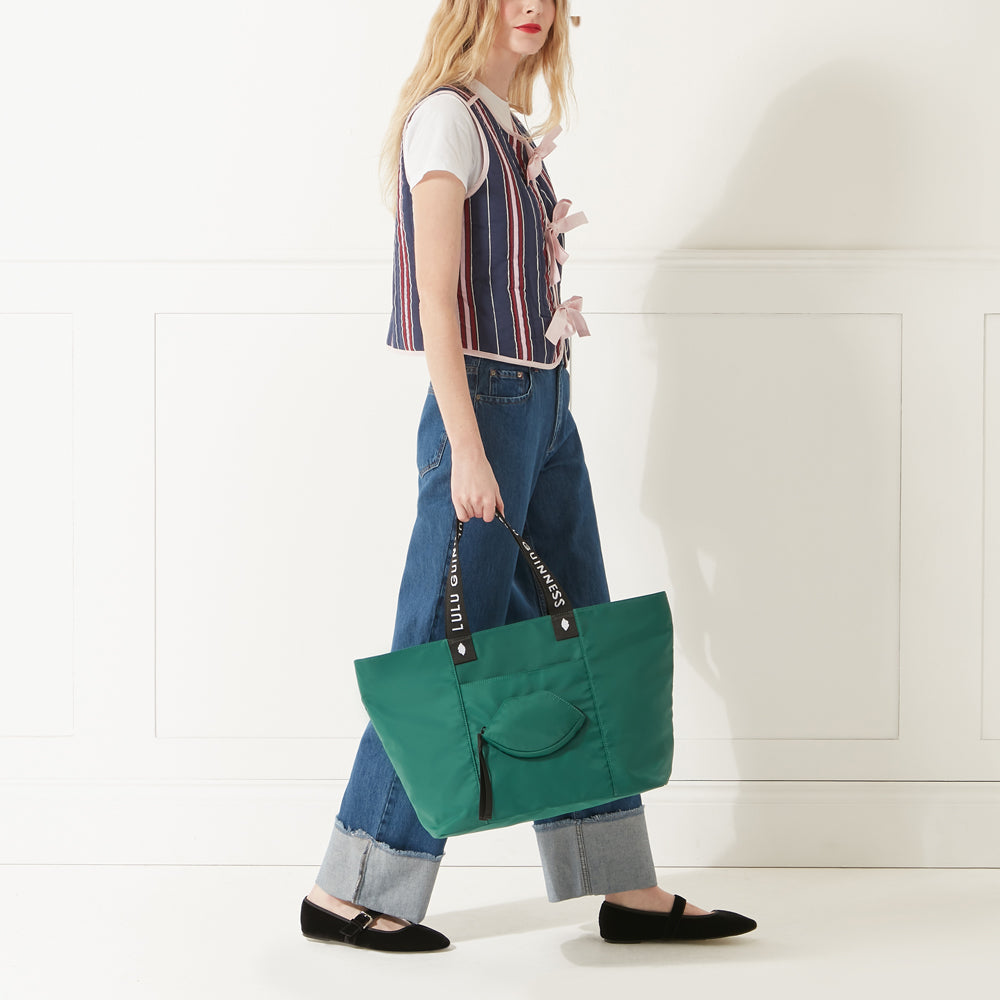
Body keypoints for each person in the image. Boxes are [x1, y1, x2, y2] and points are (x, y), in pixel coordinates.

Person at [299, 0, 757, 952]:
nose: (533, 9)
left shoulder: (505, 127)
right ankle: (352, 887)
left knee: (575, 634)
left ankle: (620, 885)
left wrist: (535, 426)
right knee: (437, 645)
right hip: (486, 407)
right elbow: (434, 295)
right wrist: (466, 447)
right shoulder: (447, 120)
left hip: (545, 405)